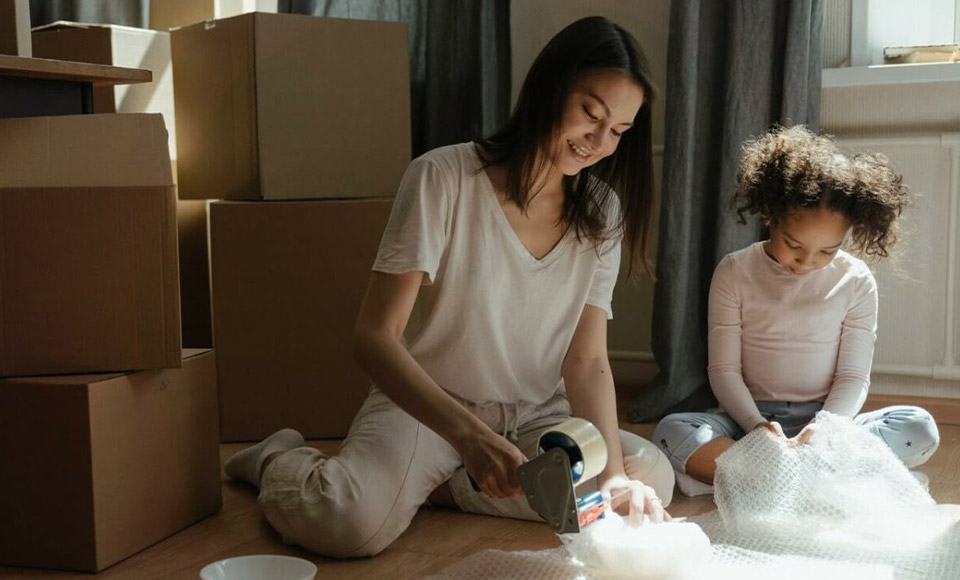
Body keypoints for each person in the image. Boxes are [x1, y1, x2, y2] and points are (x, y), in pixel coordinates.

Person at [223, 16, 675, 558]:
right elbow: (373, 338)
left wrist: (615, 479)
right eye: (590, 114)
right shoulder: (442, 177)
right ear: (549, 88)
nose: (599, 143)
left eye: (619, 132)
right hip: (428, 410)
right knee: (346, 523)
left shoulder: (603, 212)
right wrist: (468, 436)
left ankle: (445, 486)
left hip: (536, 418)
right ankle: (279, 458)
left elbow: (587, 362)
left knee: (646, 476)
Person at [654, 125, 940, 497]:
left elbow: (853, 377)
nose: (806, 262)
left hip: (827, 425)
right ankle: (822, 481)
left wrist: (824, 428)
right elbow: (723, 370)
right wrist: (757, 426)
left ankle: (766, 480)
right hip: (748, 424)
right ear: (771, 216)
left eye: (827, 251)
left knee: (918, 428)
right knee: (672, 431)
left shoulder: (856, 280)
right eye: (794, 244)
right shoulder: (734, 271)